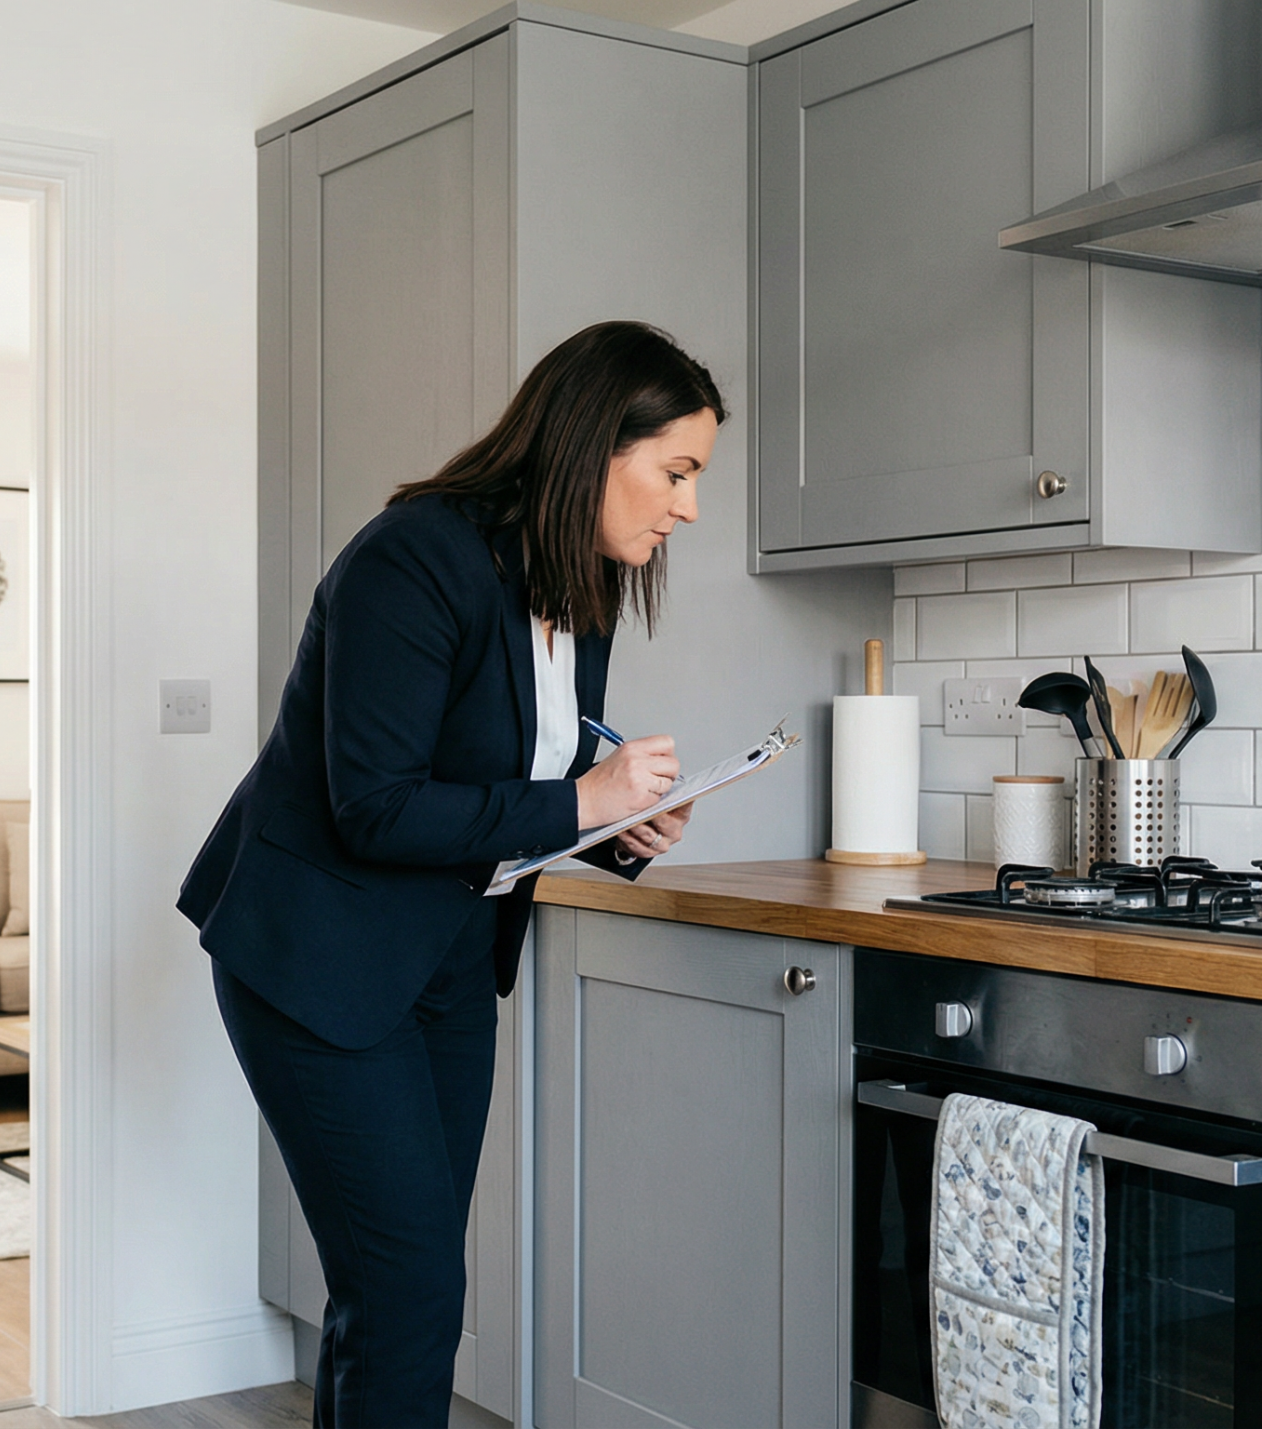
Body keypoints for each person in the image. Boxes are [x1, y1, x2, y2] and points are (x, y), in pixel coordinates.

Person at [178, 320, 723, 1426]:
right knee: (409, 1287)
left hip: (446, 957)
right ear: (592, 444)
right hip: (319, 958)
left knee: (398, 1289)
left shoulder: (586, 586)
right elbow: (373, 802)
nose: (687, 508)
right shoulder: (412, 556)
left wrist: (622, 820)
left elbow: (526, 761)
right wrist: (585, 798)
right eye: (676, 471)